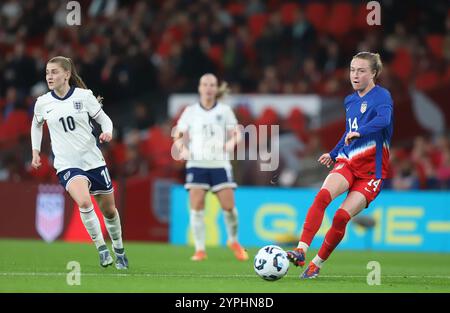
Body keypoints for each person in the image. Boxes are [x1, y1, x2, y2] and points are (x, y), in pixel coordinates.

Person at [287, 52, 393, 278]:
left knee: (341, 217)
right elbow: (348, 131)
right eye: (352, 70)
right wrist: (334, 153)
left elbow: (383, 121)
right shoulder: (350, 100)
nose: (355, 75)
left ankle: (316, 264)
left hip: (371, 173)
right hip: (348, 162)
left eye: (361, 70)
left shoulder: (382, 96)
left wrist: (361, 131)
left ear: (373, 73)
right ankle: (301, 250)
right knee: (322, 196)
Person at [30, 56, 128, 269]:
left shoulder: (84, 96)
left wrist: (108, 132)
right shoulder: (43, 102)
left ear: (66, 74)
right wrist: (35, 151)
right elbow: (36, 125)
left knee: (109, 211)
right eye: (47, 72)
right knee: (84, 202)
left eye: (54, 72)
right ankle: (102, 249)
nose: (50, 76)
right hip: (66, 164)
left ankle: (119, 249)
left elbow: (104, 119)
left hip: (93, 161)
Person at [173, 73, 248, 262]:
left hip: (219, 163)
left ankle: (233, 241)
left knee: (229, 207)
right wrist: (181, 148)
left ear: (216, 89)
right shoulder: (190, 111)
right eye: (205, 84)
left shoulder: (224, 110)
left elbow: (237, 133)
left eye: (212, 85)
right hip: (197, 163)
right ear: (199, 88)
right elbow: (178, 134)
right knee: (197, 206)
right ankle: (200, 249)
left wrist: (232, 143)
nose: (208, 88)